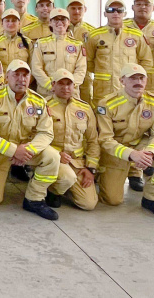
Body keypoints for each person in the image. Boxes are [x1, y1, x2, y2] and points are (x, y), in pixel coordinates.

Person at [0, 60, 60, 220]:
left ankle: (34, 199)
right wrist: (14, 151)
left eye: (25, 75)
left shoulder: (38, 101)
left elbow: (46, 133)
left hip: (26, 151)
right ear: (7, 77)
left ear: (30, 78)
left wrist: (28, 150)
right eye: (16, 75)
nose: (21, 79)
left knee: (52, 157)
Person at [95, 63, 154, 219]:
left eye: (141, 78)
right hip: (116, 150)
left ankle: (152, 199)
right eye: (132, 78)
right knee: (112, 200)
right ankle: (106, 175)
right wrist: (132, 154)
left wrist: (150, 153)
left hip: (141, 145)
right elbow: (105, 139)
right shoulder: (107, 104)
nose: (138, 82)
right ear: (122, 81)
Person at [44, 69, 99, 211]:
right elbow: (34, 137)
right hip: (53, 160)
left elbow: (93, 140)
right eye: (61, 84)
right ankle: (53, 190)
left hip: (77, 162)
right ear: (53, 85)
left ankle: (65, 187)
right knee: (66, 178)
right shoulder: (44, 106)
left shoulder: (84, 108)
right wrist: (56, 154)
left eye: (69, 84)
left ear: (74, 86)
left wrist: (90, 168)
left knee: (88, 204)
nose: (65, 88)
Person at [86, 0, 153, 104]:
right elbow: (87, 62)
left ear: (124, 13)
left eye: (119, 10)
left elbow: (147, 61)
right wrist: (104, 72)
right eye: (111, 10)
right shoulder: (94, 35)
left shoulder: (136, 35)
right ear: (105, 14)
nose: (115, 13)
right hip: (103, 90)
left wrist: (135, 78)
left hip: (129, 90)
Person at [30, 8, 87, 98]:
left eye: (63, 19)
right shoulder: (41, 43)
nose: (60, 22)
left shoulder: (77, 45)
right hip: (46, 93)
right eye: (56, 19)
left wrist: (68, 87)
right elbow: (36, 68)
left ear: (68, 22)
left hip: (70, 94)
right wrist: (50, 86)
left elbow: (81, 70)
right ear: (50, 22)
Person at [124, 0, 154, 92]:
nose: (142, 7)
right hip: (128, 80)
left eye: (146, 4)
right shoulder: (122, 26)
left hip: (153, 82)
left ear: (153, 8)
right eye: (138, 4)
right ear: (132, 7)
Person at [66, 0, 94, 102]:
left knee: (85, 104)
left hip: (85, 76)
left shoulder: (92, 31)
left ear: (85, 9)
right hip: (66, 74)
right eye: (73, 8)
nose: (76, 11)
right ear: (67, 9)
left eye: (79, 8)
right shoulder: (61, 28)